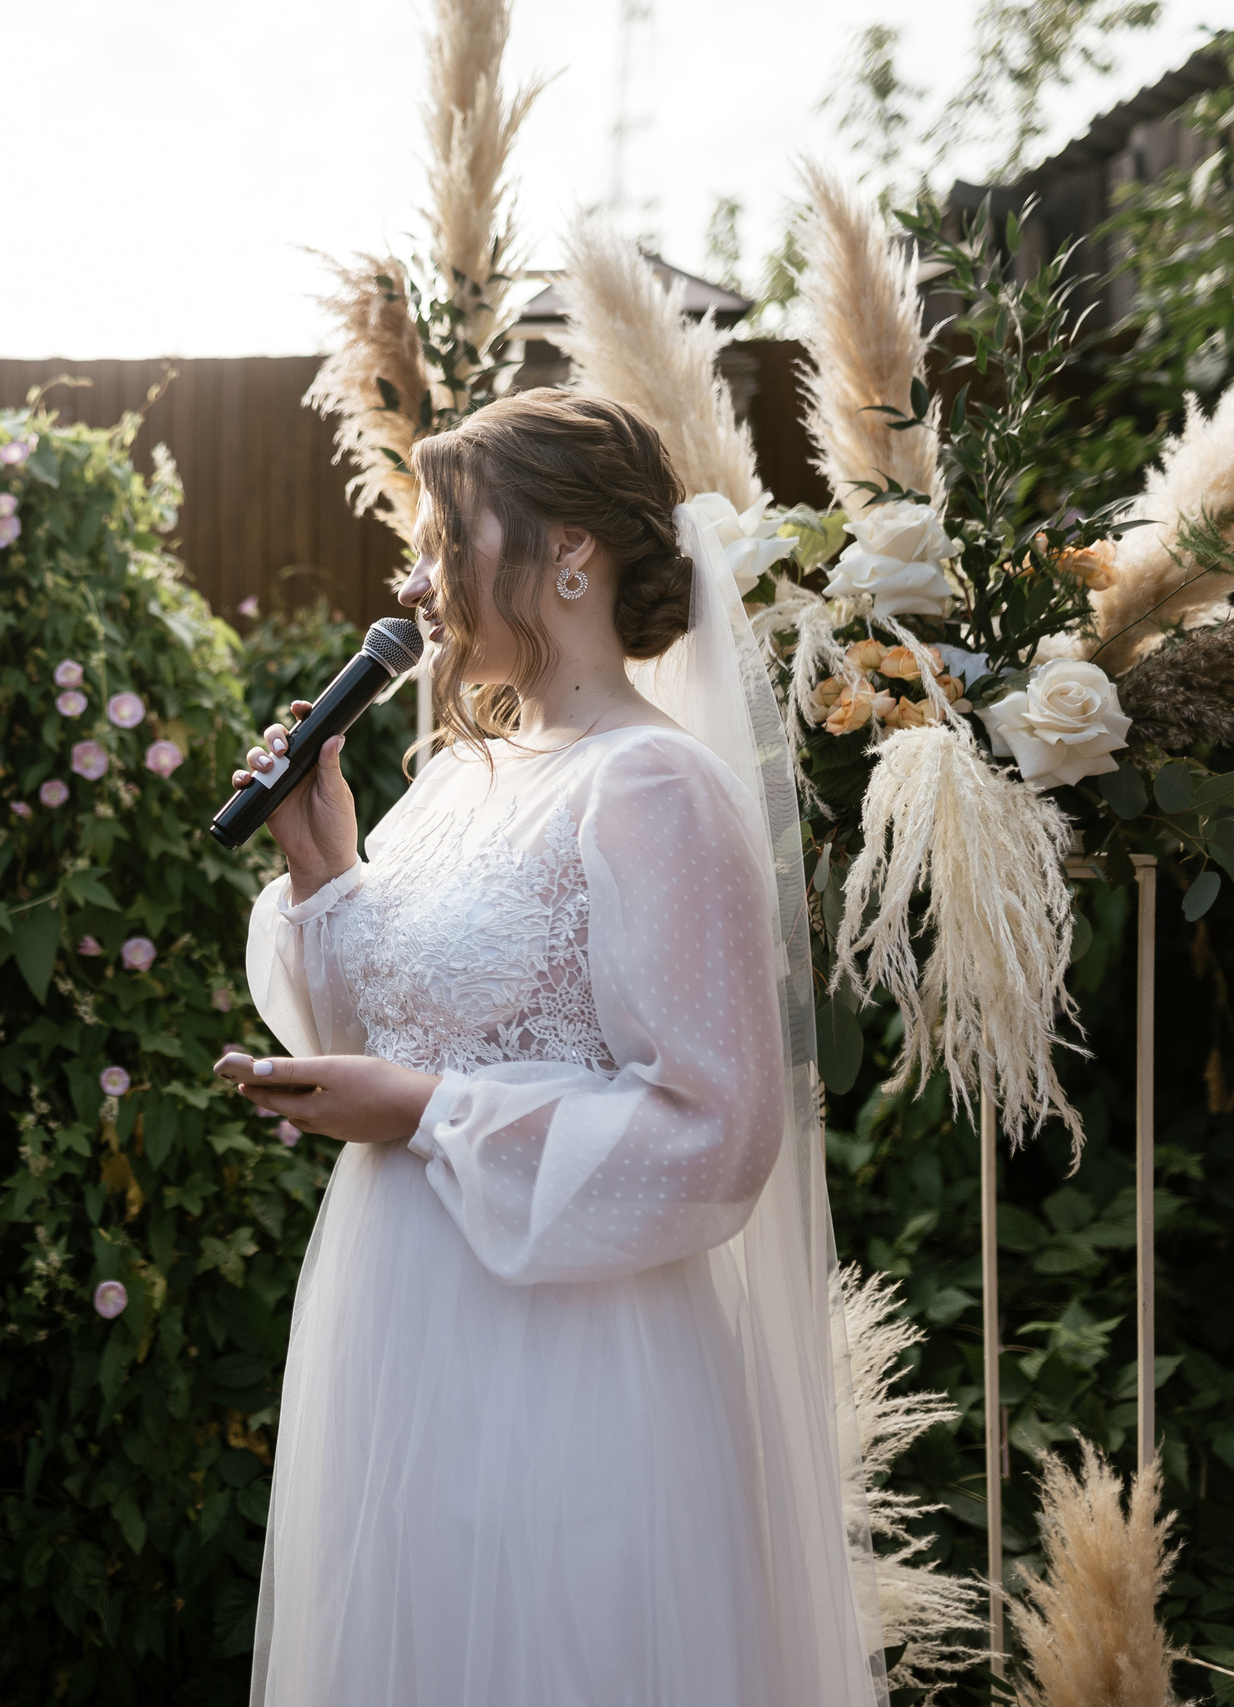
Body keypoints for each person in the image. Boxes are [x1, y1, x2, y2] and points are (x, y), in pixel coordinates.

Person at [213, 390, 881, 1706]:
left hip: (570, 1366)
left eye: (443, 541)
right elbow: (375, 1031)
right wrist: (324, 864)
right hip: (403, 1336)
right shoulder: (469, 780)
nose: (410, 583)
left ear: (569, 552)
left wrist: (427, 1112)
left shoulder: (654, 787)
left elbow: (718, 1133)